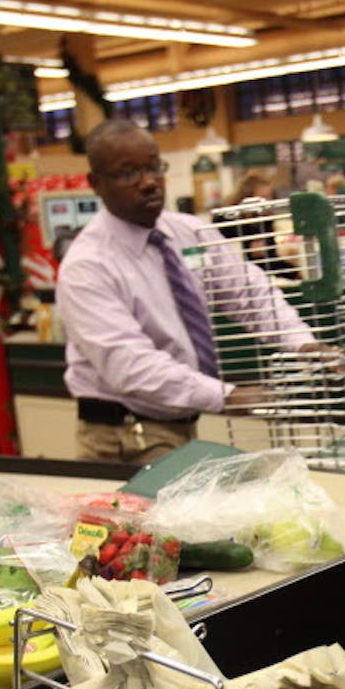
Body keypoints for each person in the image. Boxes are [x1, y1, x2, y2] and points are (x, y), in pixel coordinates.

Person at [55, 119, 319, 463]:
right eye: (128, 173)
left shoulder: (189, 233)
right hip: (123, 436)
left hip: (177, 423)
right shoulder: (87, 266)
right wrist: (228, 395)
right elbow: (130, 366)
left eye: (153, 167)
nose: (148, 182)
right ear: (96, 184)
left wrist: (302, 343)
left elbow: (250, 294)